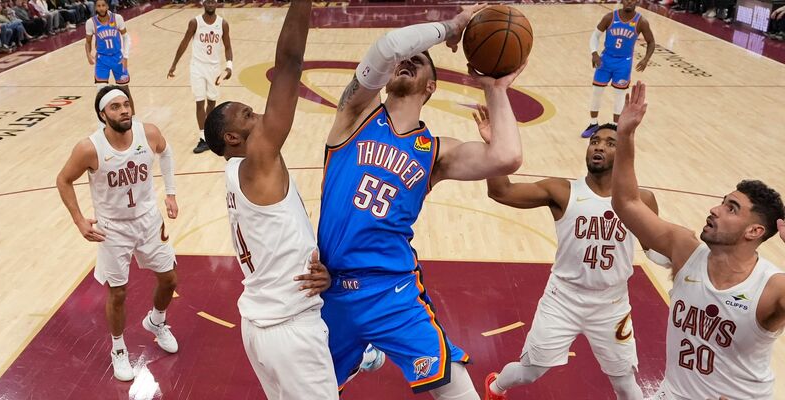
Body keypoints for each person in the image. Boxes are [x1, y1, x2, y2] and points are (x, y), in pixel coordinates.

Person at [316, 4, 527, 398]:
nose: (408, 60)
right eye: (406, 58)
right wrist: (451, 27)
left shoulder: (434, 152)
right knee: (308, 391)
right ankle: (367, 353)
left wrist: (494, 89)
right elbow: (386, 48)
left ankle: (375, 348)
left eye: (420, 61)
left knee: (456, 387)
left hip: (391, 289)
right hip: (330, 289)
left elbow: (507, 157)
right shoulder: (354, 114)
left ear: (431, 87)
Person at [613, 82, 785, 399]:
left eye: (731, 208)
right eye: (722, 201)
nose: (714, 209)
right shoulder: (684, 249)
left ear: (754, 232)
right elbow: (627, 203)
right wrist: (625, 136)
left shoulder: (771, 287)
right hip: (673, 393)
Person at [203, 2, 338, 398]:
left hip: (262, 325)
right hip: (290, 331)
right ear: (232, 138)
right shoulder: (257, 163)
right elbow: (290, 62)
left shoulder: (233, 172)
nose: (259, 115)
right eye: (248, 115)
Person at [481, 106, 662, 400]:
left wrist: (680, 263)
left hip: (612, 305)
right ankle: (495, 387)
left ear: (625, 151)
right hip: (563, 299)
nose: (599, 146)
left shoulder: (643, 200)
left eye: (610, 143)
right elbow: (501, 192)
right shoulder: (562, 192)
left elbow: (655, 249)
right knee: (530, 371)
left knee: (627, 386)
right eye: (595, 141)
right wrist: (494, 149)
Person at [55, 86, 179, 382]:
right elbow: (63, 179)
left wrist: (171, 193)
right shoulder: (89, 148)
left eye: (126, 104)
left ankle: (156, 321)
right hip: (113, 229)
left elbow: (166, 151)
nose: (124, 110)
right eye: (115, 107)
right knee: (118, 292)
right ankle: (119, 348)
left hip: (149, 220)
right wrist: (78, 219)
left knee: (170, 278)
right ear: (102, 114)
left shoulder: (147, 133)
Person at [582, 0, 655, 138]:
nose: (629, 2)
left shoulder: (641, 22)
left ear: (637, 2)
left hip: (623, 63)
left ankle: (616, 127)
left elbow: (651, 42)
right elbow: (595, 36)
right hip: (606, 59)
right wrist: (594, 53)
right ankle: (593, 123)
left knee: (620, 95)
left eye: (632, 0)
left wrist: (646, 59)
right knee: (597, 91)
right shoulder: (610, 17)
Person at [168, 0, 233, 154]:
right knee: (199, 102)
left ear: (216, 4)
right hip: (197, 67)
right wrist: (174, 64)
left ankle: (210, 135)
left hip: (214, 68)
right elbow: (184, 43)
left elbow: (228, 46)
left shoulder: (223, 24)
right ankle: (203, 137)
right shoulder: (195, 22)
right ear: (203, 3)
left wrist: (229, 66)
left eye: (213, 2)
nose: (210, 5)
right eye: (208, 2)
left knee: (212, 102)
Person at [85, 0, 134, 111]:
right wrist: (88, 55)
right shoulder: (90, 22)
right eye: (98, 6)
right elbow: (88, 42)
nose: (101, 8)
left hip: (118, 58)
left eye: (103, 5)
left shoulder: (117, 18)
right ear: (95, 8)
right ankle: (102, 122)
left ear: (107, 6)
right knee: (100, 92)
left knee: (125, 90)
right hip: (102, 59)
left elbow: (126, 37)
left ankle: (133, 118)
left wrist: (125, 57)